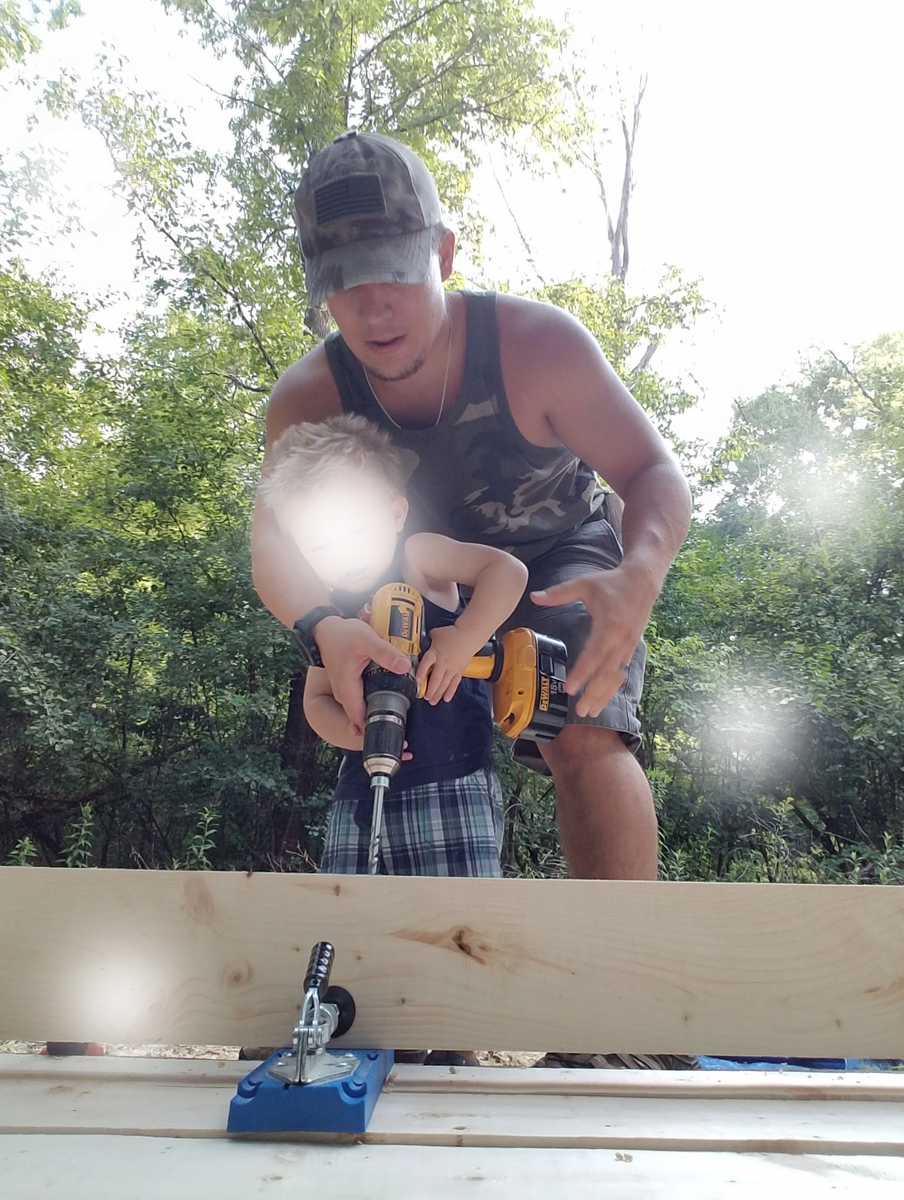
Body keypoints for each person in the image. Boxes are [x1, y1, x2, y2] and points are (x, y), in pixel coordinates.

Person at [250, 131, 695, 1069]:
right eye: (345, 281)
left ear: (443, 255)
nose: (373, 308)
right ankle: (408, 1010)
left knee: (581, 726)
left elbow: (652, 471)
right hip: (404, 578)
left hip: (561, 557)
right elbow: (270, 544)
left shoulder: (537, 347)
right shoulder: (307, 395)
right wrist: (323, 629)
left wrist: (639, 575)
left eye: (395, 274)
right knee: (380, 745)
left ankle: (621, 1025)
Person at [258, 412, 528, 1069]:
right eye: (318, 547)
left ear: (396, 510)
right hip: (362, 793)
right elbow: (317, 701)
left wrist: (463, 638)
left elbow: (507, 572)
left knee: (458, 918)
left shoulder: (421, 559)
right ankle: (376, 1040)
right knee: (356, 920)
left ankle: (458, 1046)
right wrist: (345, 730)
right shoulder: (330, 616)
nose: (343, 557)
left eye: (356, 532)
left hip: (453, 780)